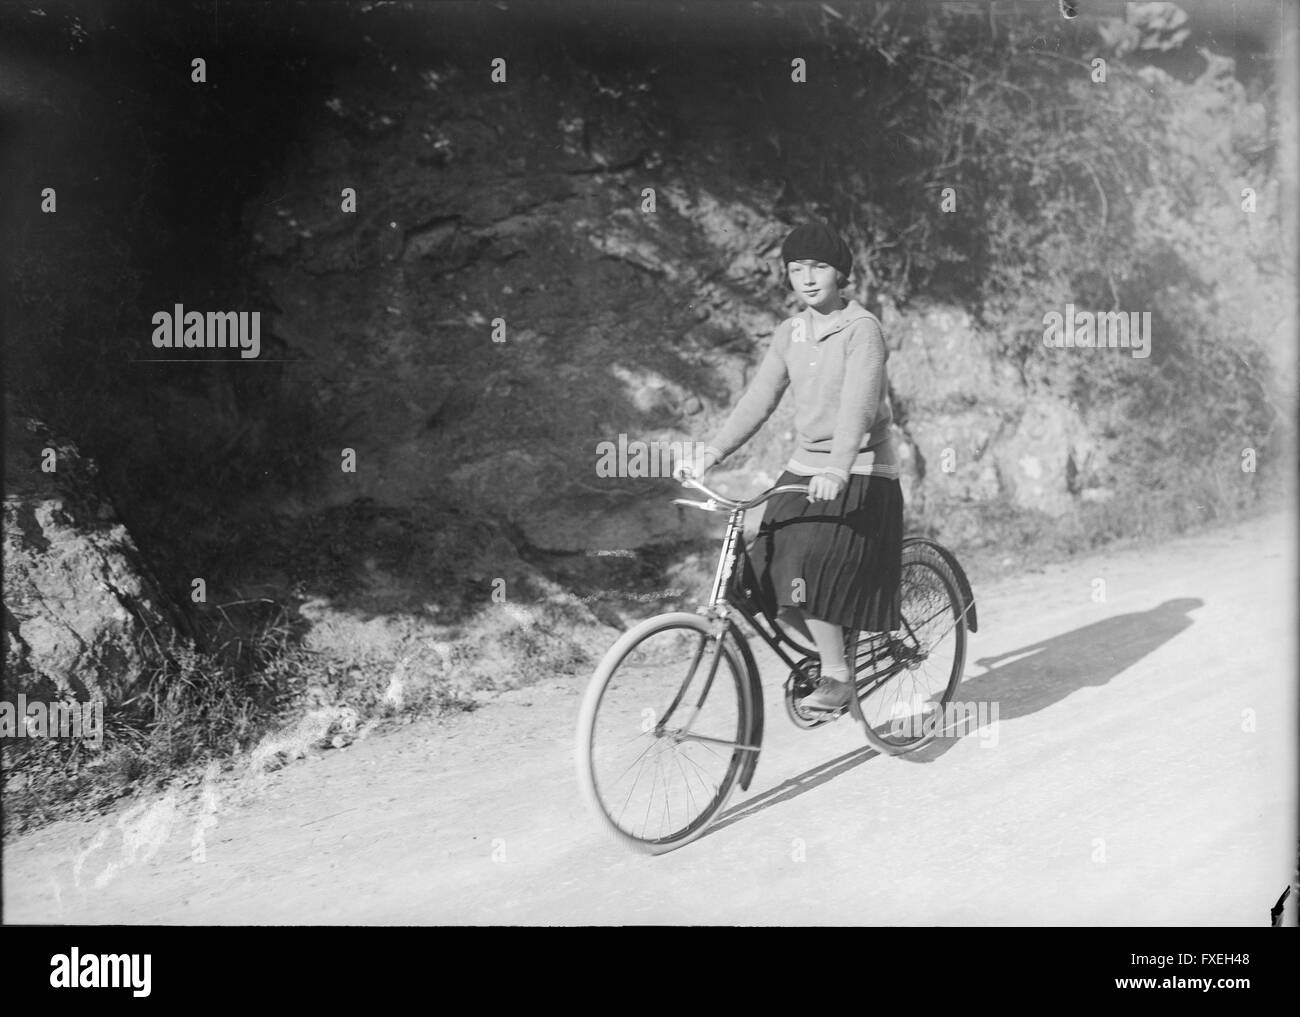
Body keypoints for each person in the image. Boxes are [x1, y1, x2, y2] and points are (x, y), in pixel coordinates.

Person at [691, 222, 902, 712]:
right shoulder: (790, 332)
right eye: (796, 269)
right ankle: (834, 648)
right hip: (807, 467)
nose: (807, 278)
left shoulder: (861, 329)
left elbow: (858, 407)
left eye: (819, 267)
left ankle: (836, 673)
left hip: (862, 471)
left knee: (804, 560)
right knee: (757, 567)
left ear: (841, 273)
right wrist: (711, 451)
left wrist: (838, 468)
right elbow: (759, 398)